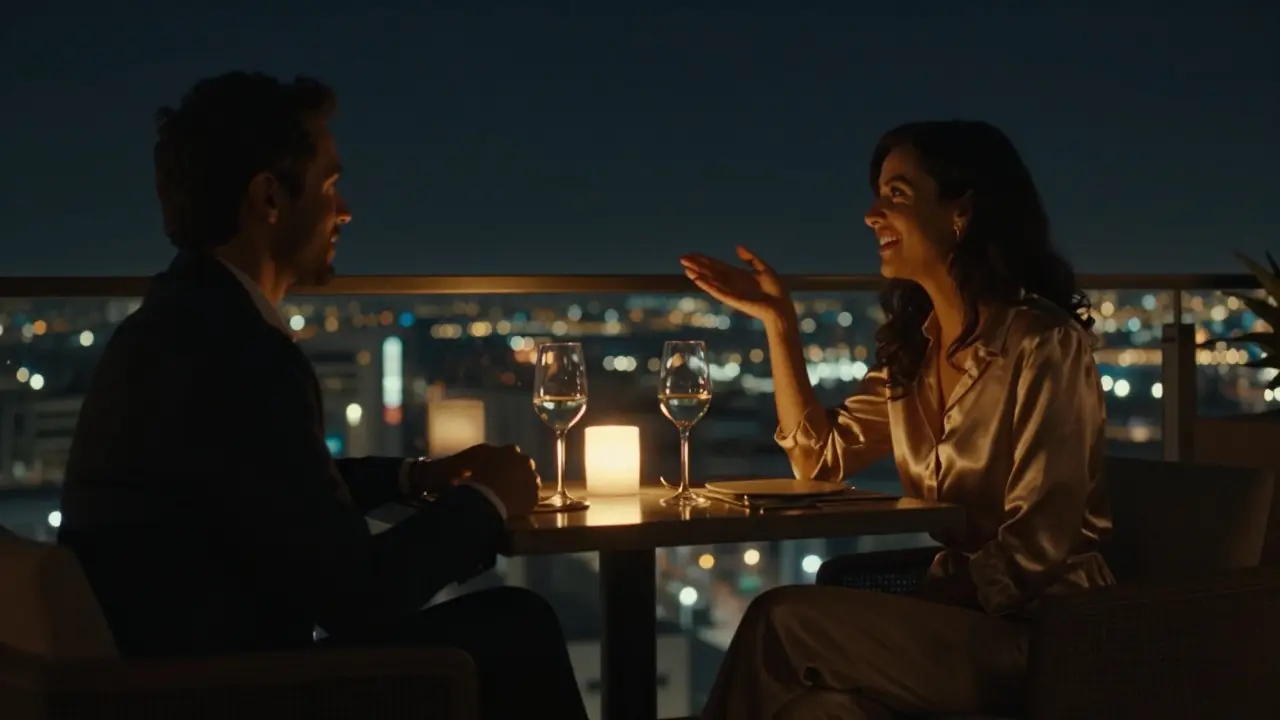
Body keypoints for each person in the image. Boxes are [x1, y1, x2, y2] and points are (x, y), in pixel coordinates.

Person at [57, 71, 588, 720]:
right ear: (270, 198)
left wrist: (408, 477)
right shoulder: (239, 351)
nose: (346, 210)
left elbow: (263, 489)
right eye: (332, 185)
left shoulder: (181, 322)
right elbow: (357, 594)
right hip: (226, 690)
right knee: (518, 627)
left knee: (508, 626)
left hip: (171, 668)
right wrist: (489, 499)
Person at [682, 120, 1114, 719]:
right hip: (950, 626)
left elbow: (1039, 542)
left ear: (961, 212)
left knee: (779, 618)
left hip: (1045, 637)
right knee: (819, 713)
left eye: (897, 195)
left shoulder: (1044, 345)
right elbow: (819, 460)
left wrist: (934, 597)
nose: (871, 214)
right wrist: (778, 322)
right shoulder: (915, 352)